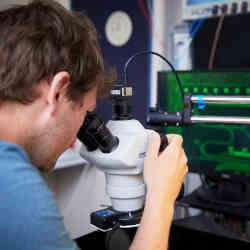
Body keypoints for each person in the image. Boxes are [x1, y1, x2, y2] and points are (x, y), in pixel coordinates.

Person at [0, 1, 188, 250]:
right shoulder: (16, 191)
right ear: (57, 93)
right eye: (86, 115)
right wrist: (162, 197)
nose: (75, 141)